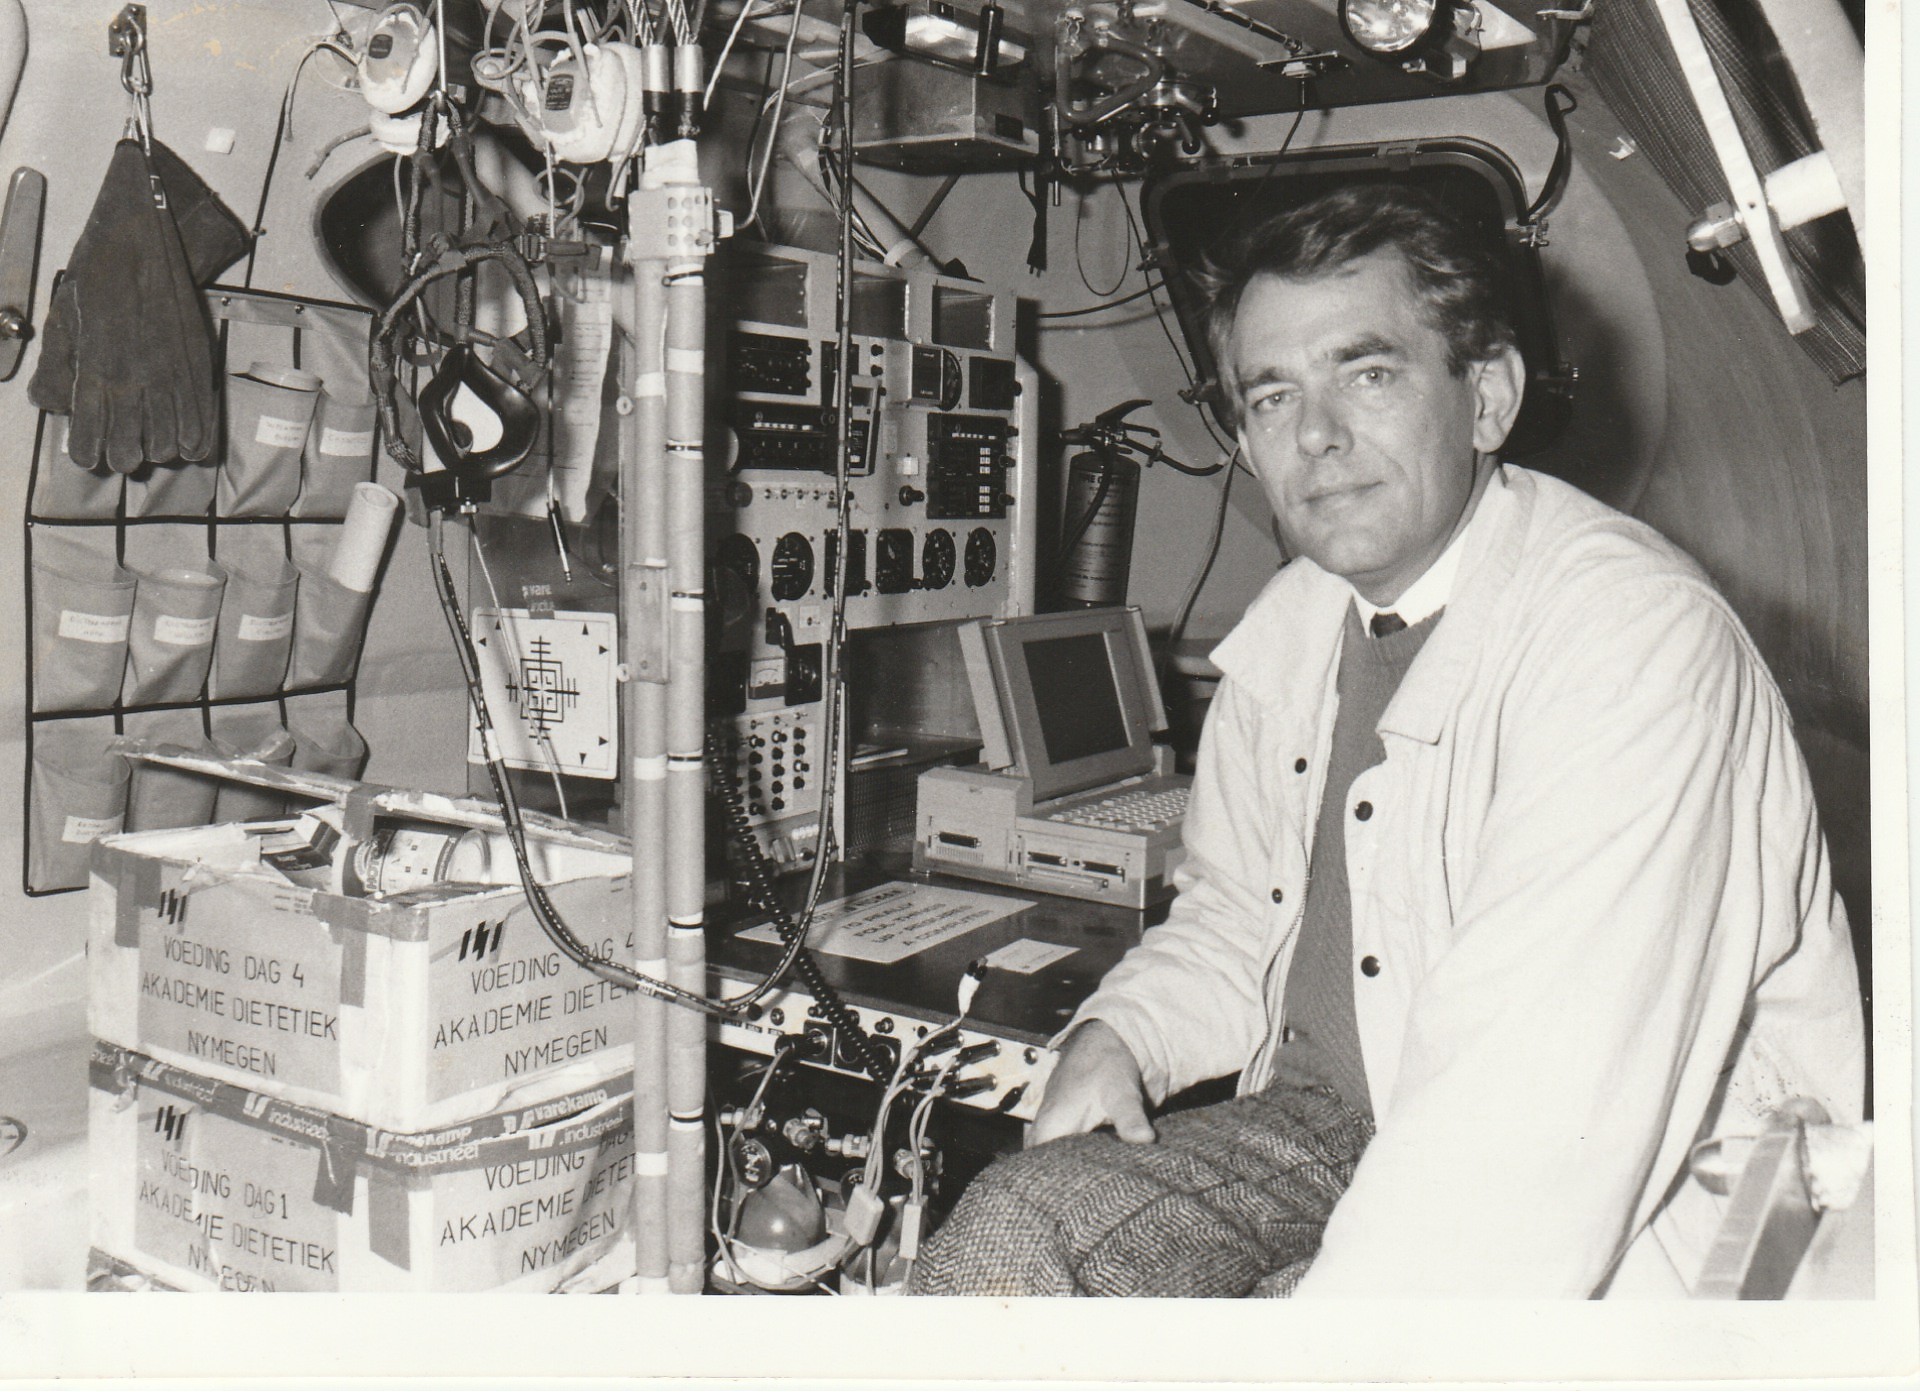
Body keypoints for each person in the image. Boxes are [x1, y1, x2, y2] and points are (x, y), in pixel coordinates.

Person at [907, 182, 1864, 1298]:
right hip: (1337, 1119)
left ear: (1487, 398)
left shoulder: (1630, 644)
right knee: (1011, 1230)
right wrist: (1121, 1031)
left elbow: (1521, 1148)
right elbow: (1236, 914)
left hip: (1650, 1186)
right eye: (1273, 396)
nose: (1316, 435)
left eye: (1367, 374)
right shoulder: (1296, 627)